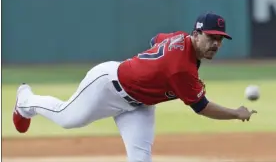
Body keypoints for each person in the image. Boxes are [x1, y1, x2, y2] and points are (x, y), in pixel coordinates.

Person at [13, 12, 257, 162]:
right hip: (108, 86)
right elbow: (202, 107)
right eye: (211, 37)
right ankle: (25, 101)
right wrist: (237, 113)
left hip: (140, 105)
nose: (215, 43)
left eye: (219, 39)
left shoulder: (181, 38)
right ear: (196, 34)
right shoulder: (182, 69)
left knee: (140, 158)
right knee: (66, 118)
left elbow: (156, 40)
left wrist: (148, 69)